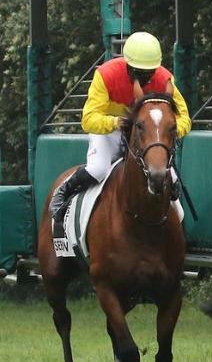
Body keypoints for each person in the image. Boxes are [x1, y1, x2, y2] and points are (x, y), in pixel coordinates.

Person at [50, 31, 192, 242]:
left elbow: (185, 119)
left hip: (148, 134)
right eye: (138, 72)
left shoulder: (165, 79)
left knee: (169, 178)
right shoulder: (106, 75)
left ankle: (181, 237)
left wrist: (166, 130)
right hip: (110, 131)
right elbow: (88, 119)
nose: (144, 78)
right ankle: (64, 191)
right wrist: (117, 123)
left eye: (149, 73)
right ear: (127, 64)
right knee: (98, 169)